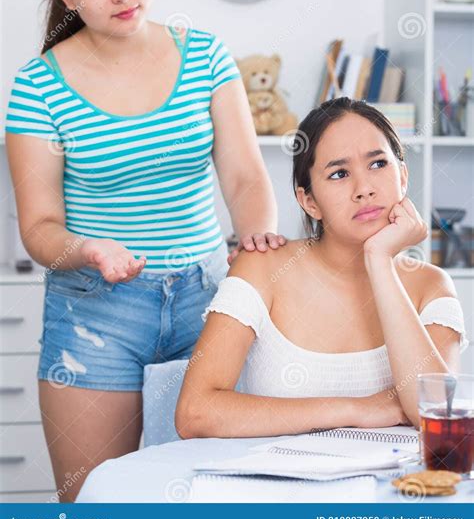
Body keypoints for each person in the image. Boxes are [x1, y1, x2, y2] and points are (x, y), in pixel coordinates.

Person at [5, 0, 286, 501]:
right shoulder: (37, 87)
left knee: (214, 501)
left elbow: (244, 177)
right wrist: (88, 250)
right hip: (94, 315)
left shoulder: (205, 55)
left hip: (210, 302)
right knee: (94, 509)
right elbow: (40, 225)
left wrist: (257, 242)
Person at [176, 97, 468, 439]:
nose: (365, 189)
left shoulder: (431, 285)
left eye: (377, 164)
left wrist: (379, 260)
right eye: (339, 173)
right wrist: (356, 409)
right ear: (309, 201)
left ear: (402, 176)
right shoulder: (262, 266)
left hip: (392, 488)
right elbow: (194, 413)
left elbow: (434, 415)